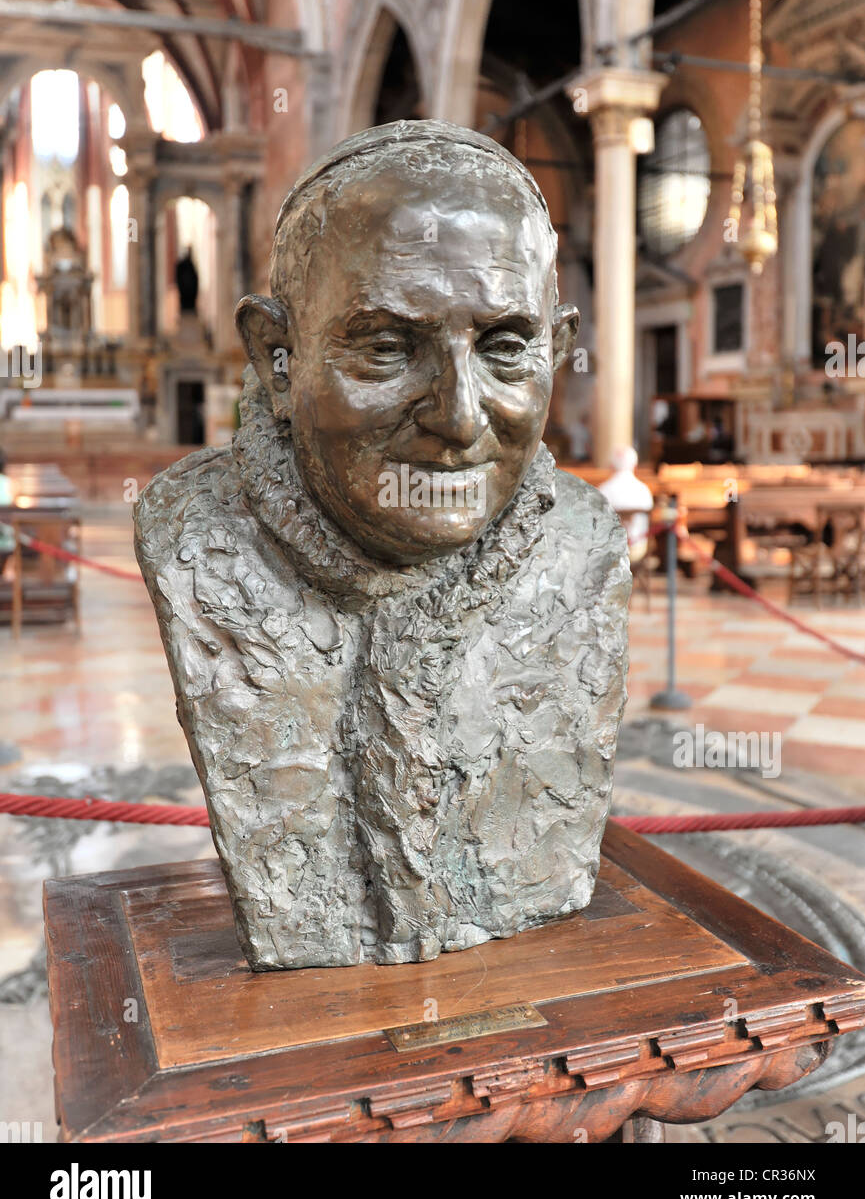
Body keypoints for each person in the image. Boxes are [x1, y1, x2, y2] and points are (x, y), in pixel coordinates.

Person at [135, 121, 630, 970]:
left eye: (507, 349)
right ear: (276, 358)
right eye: (388, 348)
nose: (460, 418)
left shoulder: (580, 543)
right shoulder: (198, 539)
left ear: (560, 347)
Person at [599, 445, 654, 562]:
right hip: (638, 549)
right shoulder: (643, 490)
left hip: (608, 551)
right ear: (635, 465)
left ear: (612, 466)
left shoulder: (603, 490)